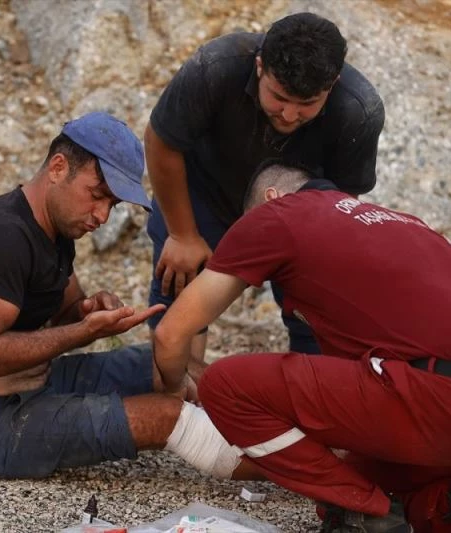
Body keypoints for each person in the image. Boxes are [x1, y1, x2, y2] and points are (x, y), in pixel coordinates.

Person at [153, 162, 451, 533]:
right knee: (353, 479)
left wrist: (174, 391)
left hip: (439, 400)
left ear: (272, 198)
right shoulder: (401, 222)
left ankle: (371, 515)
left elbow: (171, 335)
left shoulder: (277, 216)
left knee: (226, 384)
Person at [0, 111, 253, 482]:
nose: (102, 216)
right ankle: (298, 471)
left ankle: (288, 431)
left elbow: (65, 314)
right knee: (164, 416)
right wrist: (84, 331)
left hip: (38, 385)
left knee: (173, 361)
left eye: (112, 204)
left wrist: (88, 310)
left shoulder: (56, 232)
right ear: (58, 168)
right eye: (97, 196)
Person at [145, 12, 385, 359]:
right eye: (279, 97)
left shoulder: (358, 111)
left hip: (298, 219)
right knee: (179, 290)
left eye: (306, 105)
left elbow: (342, 203)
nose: (289, 115)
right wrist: (182, 234)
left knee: (317, 315)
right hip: (207, 194)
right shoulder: (215, 67)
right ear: (260, 65)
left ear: (330, 87)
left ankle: (305, 399)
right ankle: (177, 400)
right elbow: (161, 142)